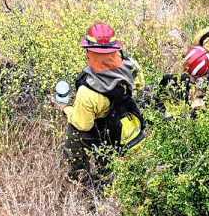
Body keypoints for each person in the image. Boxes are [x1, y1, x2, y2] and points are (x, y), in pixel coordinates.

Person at [51, 22, 145, 185]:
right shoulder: (131, 65)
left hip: (109, 134)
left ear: (89, 52)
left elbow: (83, 125)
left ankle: (79, 178)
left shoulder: (87, 93)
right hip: (131, 123)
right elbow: (140, 87)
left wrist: (65, 108)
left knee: (74, 133)